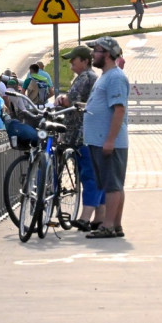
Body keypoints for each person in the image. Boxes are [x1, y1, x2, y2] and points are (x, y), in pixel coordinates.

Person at [82, 36, 130, 239]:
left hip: (109, 142)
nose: (93, 54)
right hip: (100, 140)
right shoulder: (106, 76)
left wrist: (109, 140)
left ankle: (108, 225)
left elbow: (119, 110)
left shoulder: (115, 78)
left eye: (97, 50)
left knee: (112, 185)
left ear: (108, 54)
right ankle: (115, 225)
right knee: (113, 184)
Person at [57, 45, 104, 232]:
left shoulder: (86, 77)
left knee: (88, 175)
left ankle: (86, 218)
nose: (71, 63)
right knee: (90, 175)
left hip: (81, 133)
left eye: (74, 60)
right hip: (80, 133)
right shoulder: (87, 77)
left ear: (85, 61)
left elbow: (71, 101)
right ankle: (99, 216)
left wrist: (61, 100)